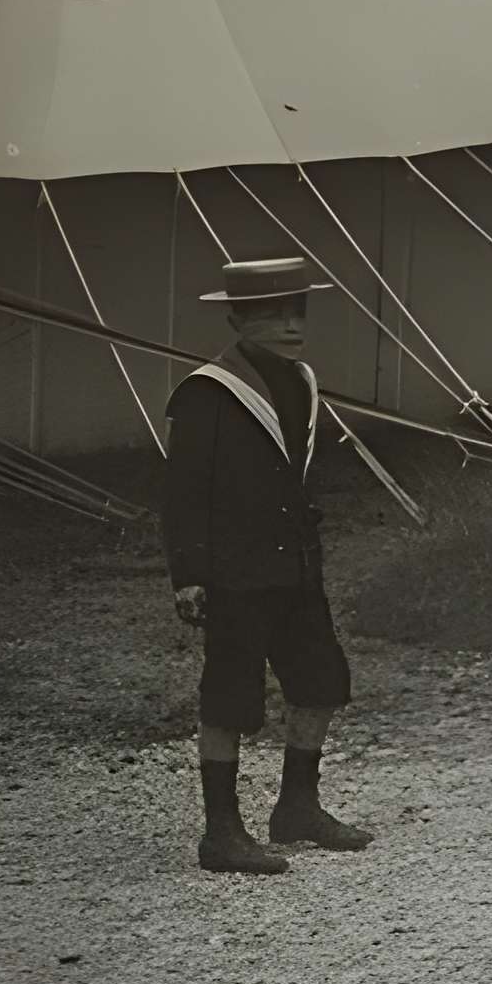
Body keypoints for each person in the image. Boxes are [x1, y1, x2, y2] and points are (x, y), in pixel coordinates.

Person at [165, 255, 373, 878]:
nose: (288, 324)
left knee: (321, 682)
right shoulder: (207, 392)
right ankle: (221, 833)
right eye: (270, 314)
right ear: (236, 319)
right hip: (233, 571)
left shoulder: (299, 380)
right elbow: (182, 492)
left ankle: (298, 808)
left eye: (296, 311)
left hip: (295, 567)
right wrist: (190, 575)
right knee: (230, 696)